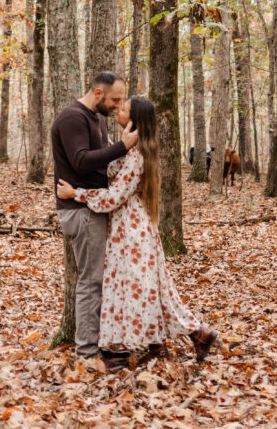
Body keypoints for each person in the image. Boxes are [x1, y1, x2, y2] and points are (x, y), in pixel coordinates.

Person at [57, 96, 219, 366]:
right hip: (128, 229)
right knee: (149, 289)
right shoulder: (132, 149)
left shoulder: (138, 155)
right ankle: (166, 344)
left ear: (135, 120)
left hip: (132, 232)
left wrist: (77, 193)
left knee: (145, 290)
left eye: (124, 109)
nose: (118, 110)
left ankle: (196, 333)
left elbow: (114, 196)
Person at [52, 72, 138, 368]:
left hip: (92, 207)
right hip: (80, 211)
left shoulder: (97, 119)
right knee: (90, 282)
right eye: (115, 99)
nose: (117, 106)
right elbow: (81, 160)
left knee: (99, 281)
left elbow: (103, 160)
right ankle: (87, 355)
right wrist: (122, 147)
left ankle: (98, 347)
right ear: (98, 93)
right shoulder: (72, 118)